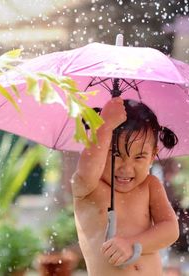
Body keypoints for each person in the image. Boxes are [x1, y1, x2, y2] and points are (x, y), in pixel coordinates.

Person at [71, 97, 180, 275]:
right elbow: (86, 170)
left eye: (139, 157)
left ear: (153, 156)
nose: (126, 168)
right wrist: (105, 126)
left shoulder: (150, 185)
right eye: (116, 153)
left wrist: (132, 244)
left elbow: (170, 229)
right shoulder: (88, 188)